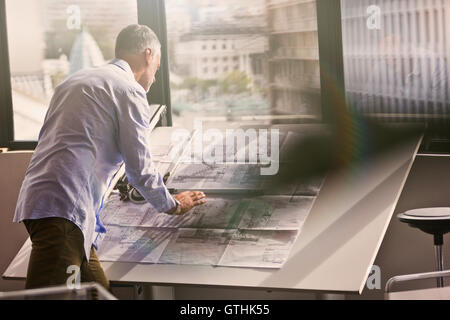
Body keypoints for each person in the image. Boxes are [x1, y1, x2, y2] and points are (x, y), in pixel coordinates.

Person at [13, 24, 206, 290]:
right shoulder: (129, 89)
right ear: (149, 55)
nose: (155, 77)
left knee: (98, 291)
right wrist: (173, 204)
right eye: (157, 68)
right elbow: (139, 168)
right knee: (51, 297)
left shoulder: (75, 81)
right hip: (66, 211)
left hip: (43, 203)